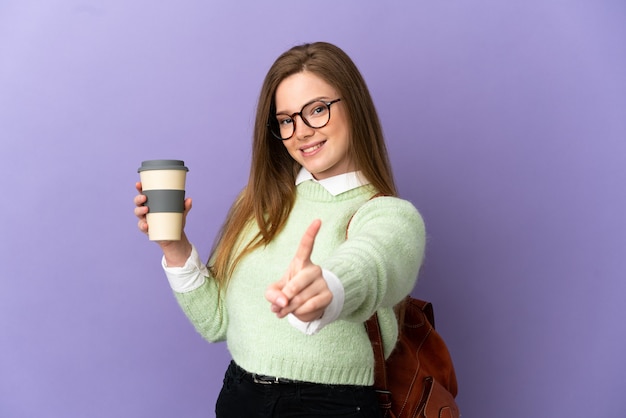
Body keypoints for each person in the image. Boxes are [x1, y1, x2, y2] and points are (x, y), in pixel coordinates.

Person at [134, 42, 425, 417]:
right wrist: (174, 247)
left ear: (353, 105)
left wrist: (330, 288)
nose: (301, 132)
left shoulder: (388, 215)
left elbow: (373, 261)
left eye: (317, 110)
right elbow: (216, 322)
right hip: (240, 396)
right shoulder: (259, 204)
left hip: (330, 406)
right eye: (287, 120)